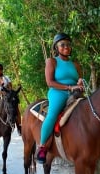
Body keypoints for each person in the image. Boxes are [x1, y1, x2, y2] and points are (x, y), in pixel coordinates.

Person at [36, 33, 84, 164]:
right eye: (62, 45)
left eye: (68, 44)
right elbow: (50, 82)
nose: (66, 47)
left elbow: (79, 80)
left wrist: (80, 83)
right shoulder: (52, 61)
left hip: (75, 93)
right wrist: (69, 87)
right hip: (58, 92)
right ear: (56, 48)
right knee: (52, 115)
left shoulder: (75, 64)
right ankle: (42, 147)